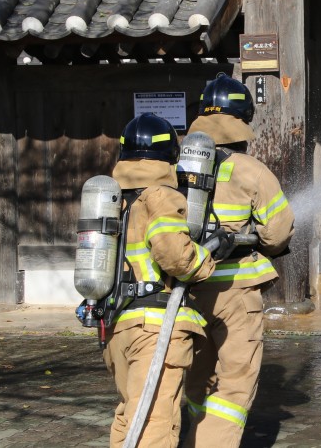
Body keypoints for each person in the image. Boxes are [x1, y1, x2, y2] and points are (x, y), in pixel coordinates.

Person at [181, 73, 295, 448]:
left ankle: (193, 438)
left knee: (198, 380)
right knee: (234, 383)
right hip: (236, 292)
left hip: (187, 291)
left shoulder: (176, 169)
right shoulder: (250, 170)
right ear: (241, 119)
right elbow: (277, 234)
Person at [103, 112, 215, 448]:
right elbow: (175, 256)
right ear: (171, 156)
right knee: (154, 422)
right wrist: (207, 257)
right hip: (155, 330)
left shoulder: (115, 198)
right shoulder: (160, 195)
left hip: (119, 328)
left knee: (129, 416)